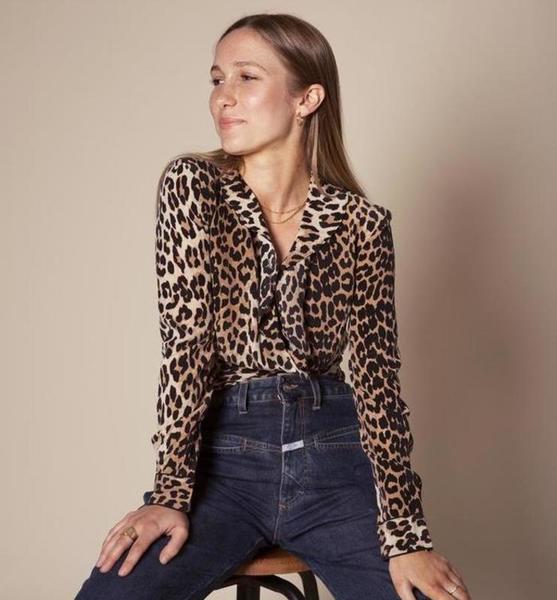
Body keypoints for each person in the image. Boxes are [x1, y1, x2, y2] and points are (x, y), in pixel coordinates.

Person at [75, 12, 471, 600]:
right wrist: (170, 493)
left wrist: (406, 531)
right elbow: (186, 346)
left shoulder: (360, 223)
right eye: (217, 79)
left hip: (337, 459)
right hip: (225, 464)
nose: (223, 97)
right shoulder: (194, 187)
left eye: (247, 77)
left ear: (306, 98)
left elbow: (377, 380)